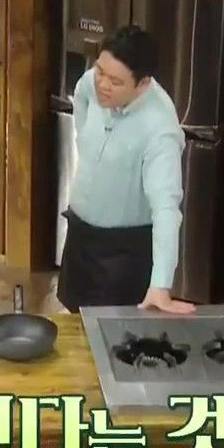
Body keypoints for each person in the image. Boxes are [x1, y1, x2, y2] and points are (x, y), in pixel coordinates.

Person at [58, 24, 195, 314]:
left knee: (111, 330)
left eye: (116, 82)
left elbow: (166, 209)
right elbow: (81, 93)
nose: (103, 85)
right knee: (72, 321)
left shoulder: (160, 130)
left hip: (121, 253)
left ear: (142, 83)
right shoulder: (94, 82)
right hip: (79, 233)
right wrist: (88, 144)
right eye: (100, 71)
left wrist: (161, 285)